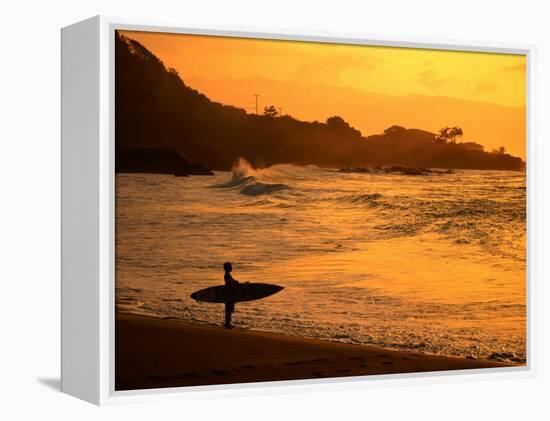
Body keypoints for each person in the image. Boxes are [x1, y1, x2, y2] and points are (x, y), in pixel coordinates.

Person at [223, 262, 239, 329]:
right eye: (230, 266)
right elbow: (231, 283)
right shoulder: (227, 275)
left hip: (230, 294)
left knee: (229, 310)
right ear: (227, 268)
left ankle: (228, 324)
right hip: (229, 295)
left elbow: (233, 282)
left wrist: (237, 283)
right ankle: (227, 325)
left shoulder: (228, 274)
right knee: (228, 311)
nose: (231, 268)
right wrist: (236, 283)